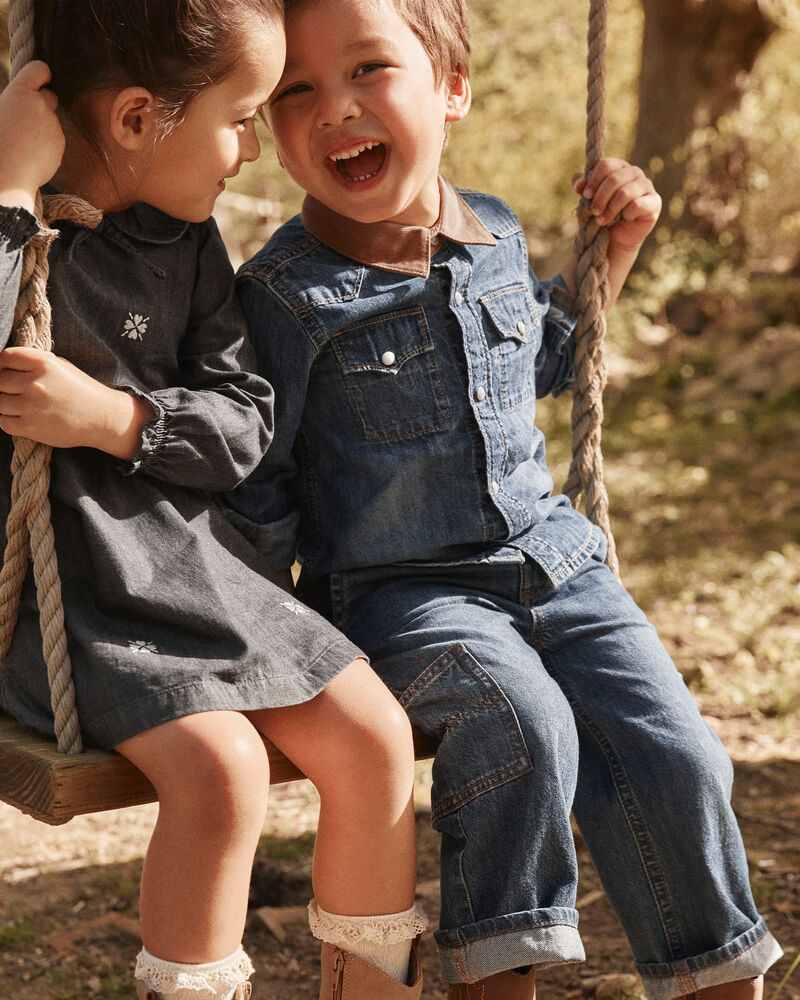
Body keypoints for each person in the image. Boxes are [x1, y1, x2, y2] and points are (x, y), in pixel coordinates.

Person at [223, 0, 784, 998]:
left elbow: (539, 361)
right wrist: (257, 638)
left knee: (681, 753)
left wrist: (614, 248)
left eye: (367, 70)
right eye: (295, 90)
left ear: (452, 89)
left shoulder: (495, 233)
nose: (334, 108)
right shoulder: (282, 295)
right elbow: (256, 480)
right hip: (405, 596)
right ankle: (497, 982)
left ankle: (715, 979)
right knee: (521, 729)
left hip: (557, 567)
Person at [0, 2, 427, 999]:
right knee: (222, 770)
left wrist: (116, 420)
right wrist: (12, 191)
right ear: (137, 118)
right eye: (239, 119)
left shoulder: (185, 244)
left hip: (193, 574)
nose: (252, 150)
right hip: (72, 603)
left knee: (376, 740)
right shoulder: (17, 226)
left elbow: (241, 425)